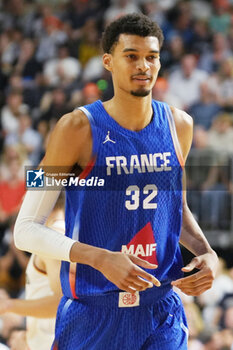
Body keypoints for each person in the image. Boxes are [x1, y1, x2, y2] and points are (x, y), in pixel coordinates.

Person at [14, 13, 218, 350]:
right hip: (94, 315)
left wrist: (206, 252)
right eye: (132, 56)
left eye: (152, 57)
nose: (144, 66)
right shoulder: (73, 127)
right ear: (108, 61)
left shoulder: (180, 125)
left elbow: (176, 209)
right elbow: (25, 229)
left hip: (161, 310)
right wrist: (99, 258)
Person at [1, 196, 65, 350]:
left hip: (51, 342)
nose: (20, 205)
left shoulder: (53, 236)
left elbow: (61, 302)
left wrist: (8, 305)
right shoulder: (58, 232)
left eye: (25, 198)